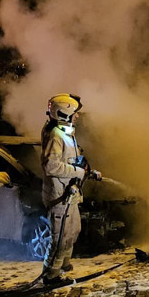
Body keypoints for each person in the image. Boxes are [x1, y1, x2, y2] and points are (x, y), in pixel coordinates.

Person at [40, 94, 101, 286]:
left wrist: (87, 171)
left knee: (74, 231)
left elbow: (72, 159)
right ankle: (51, 275)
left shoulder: (64, 132)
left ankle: (63, 265)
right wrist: (77, 171)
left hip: (69, 195)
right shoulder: (55, 136)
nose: (78, 116)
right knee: (60, 238)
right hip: (59, 197)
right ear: (64, 113)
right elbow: (51, 167)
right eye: (75, 113)